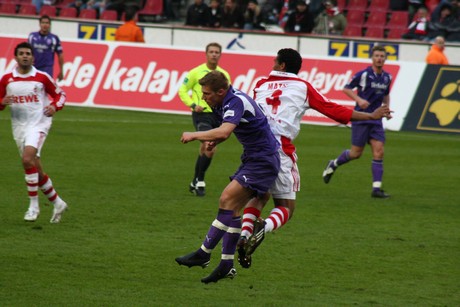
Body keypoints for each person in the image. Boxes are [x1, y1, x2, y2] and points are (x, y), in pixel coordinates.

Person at [236, 48, 392, 268]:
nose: (272, 63)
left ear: (281, 66)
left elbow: (249, 113)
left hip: (255, 147)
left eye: (275, 61)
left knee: (261, 194)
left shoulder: (260, 84)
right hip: (280, 148)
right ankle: (265, 227)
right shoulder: (302, 87)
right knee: (286, 207)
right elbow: (333, 110)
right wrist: (371, 115)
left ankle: (244, 234)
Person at [175, 70, 280, 284]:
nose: (203, 97)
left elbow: (224, 131)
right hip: (254, 158)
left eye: (206, 93)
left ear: (221, 91)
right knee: (232, 208)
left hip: (262, 160)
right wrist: (217, 140)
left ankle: (204, 253)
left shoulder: (235, 101)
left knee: (226, 199)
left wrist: (194, 134)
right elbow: (235, 128)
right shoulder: (226, 101)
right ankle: (225, 265)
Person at [0, 42, 68, 223]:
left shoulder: (42, 77)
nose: (25, 56)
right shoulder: (7, 79)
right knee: (35, 168)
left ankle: (33, 206)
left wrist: (54, 106)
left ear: (33, 57)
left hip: (39, 124)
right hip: (19, 127)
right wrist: (2, 102)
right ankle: (58, 202)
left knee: (26, 159)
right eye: (21, 53)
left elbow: (61, 95)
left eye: (28, 53)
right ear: (15, 57)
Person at [323, 45, 393, 198]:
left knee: (379, 151)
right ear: (372, 58)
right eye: (377, 56)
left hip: (376, 120)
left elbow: (386, 95)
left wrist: (386, 109)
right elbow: (346, 88)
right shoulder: (363, 75)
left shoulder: (388, 77)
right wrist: (359, 99)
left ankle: (376, 189)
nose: (379, 58)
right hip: (361, 118)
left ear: (385, 58)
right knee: (355, 154)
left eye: (382, 56)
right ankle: (334, 163)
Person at [178, 43, 231, 197]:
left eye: (217, 52)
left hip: (217, 115)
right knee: (209, 145)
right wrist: (193, 105)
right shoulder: (195, 72)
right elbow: (182, 90)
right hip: (201, 115)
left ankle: (195, 180)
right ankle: (200, 181)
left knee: (205, 149)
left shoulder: (224, 75)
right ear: (206, 54)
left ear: (220, 55)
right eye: (211, 52)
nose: (214, 54)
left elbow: (227, 96)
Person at [28, 15, 64, 81]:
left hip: (47, 69)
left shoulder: (54, 38)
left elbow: (60, 55)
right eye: (43, 22)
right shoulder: (32, 36)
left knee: (45, 89)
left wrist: (61, 71)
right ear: (39, 24)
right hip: (33, 67)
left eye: (47, 23)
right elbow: (27, 51)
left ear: (50, 25)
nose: (45, 25)